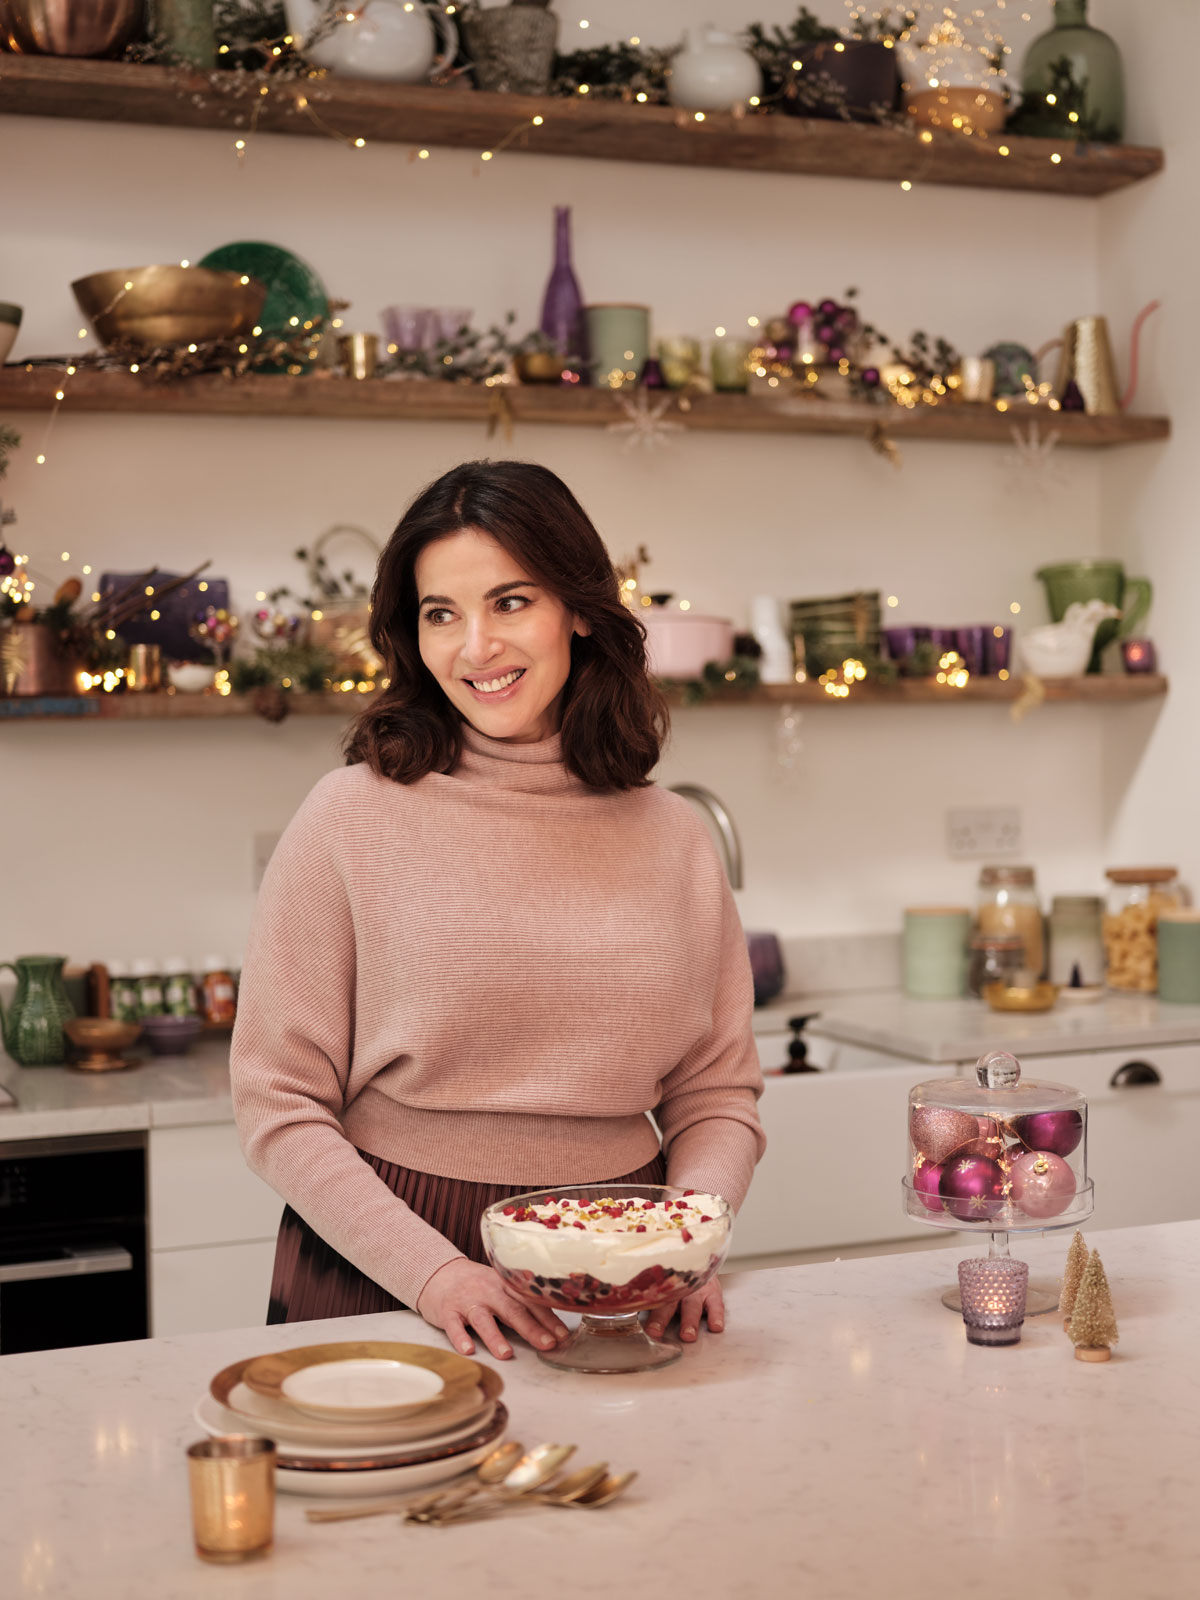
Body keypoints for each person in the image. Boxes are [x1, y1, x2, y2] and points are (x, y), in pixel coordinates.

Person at [230, 459, 766, 1361]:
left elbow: (715, 1093)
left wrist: (685, 1240)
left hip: (622, 1258)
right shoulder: (350, 814)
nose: (475, 647)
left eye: (511, 602)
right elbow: (277, 1101)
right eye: (441, 614)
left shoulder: (674, 837)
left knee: (630, 1500)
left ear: (579, 609)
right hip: (388, 1253)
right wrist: (432, 1273)